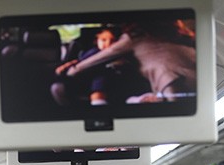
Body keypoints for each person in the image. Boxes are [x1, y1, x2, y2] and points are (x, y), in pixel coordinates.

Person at [66, 20, 197, 104]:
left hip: (169, 77)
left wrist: (72, 71)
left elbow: (101, 57)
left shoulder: (133, 37)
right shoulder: (177, 31)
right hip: (197, 69)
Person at [52, 28, 120, 106]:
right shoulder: (93, 51)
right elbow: (80, 61)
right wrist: (66, 66)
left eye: (113, 41)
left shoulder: (118, 53)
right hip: (85, 77)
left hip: (105, 78)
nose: (108, 44)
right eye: (103, 40)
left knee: (101, 77)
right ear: (96, 40)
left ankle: (98, 101)